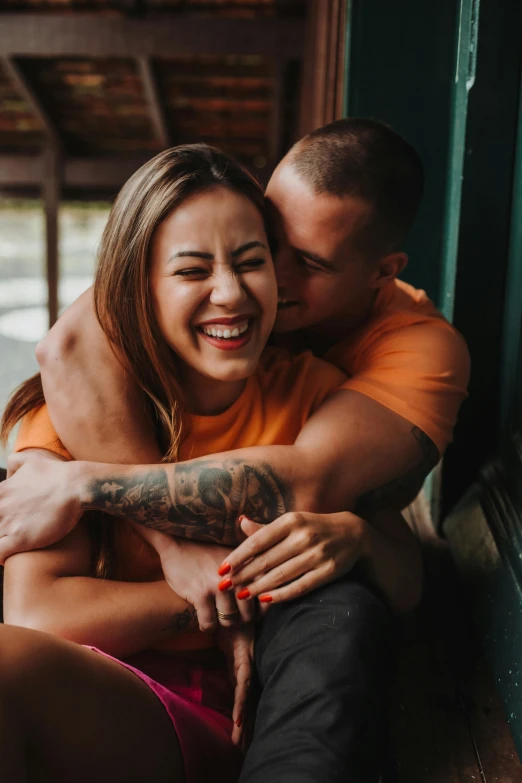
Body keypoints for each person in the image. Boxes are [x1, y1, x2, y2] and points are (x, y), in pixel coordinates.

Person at [0, 119, 468, 782]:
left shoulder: (332, 393)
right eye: (269, 245)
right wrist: (191, 572)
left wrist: (88, 486)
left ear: (380, 273)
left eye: (263, 258)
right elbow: (36, 612)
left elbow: (353, 523)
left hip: (218, 701)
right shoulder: (84, 401)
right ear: (141, 287)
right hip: (92, 686)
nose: (253, 285)